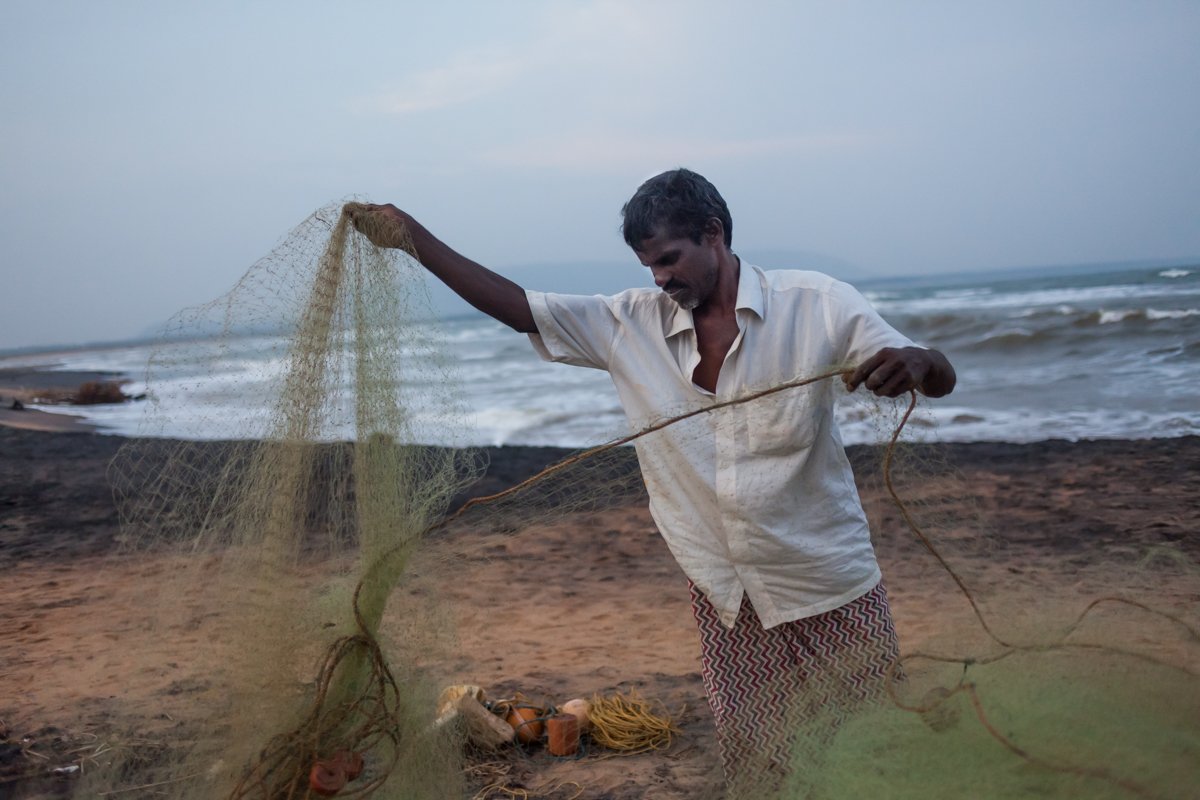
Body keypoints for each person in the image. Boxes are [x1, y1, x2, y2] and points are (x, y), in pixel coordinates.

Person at [350, 169, 955, 794]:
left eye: (669, 259)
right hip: (726, 594)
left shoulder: (819, 304)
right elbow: (517, 308)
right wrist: (411, 238)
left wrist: (921, 364)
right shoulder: (628, 324)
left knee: (874, 745)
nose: (661, 278)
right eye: (649, 267)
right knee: (762, 762)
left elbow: (935, 373)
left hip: (828, 579)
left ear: (713, 234)